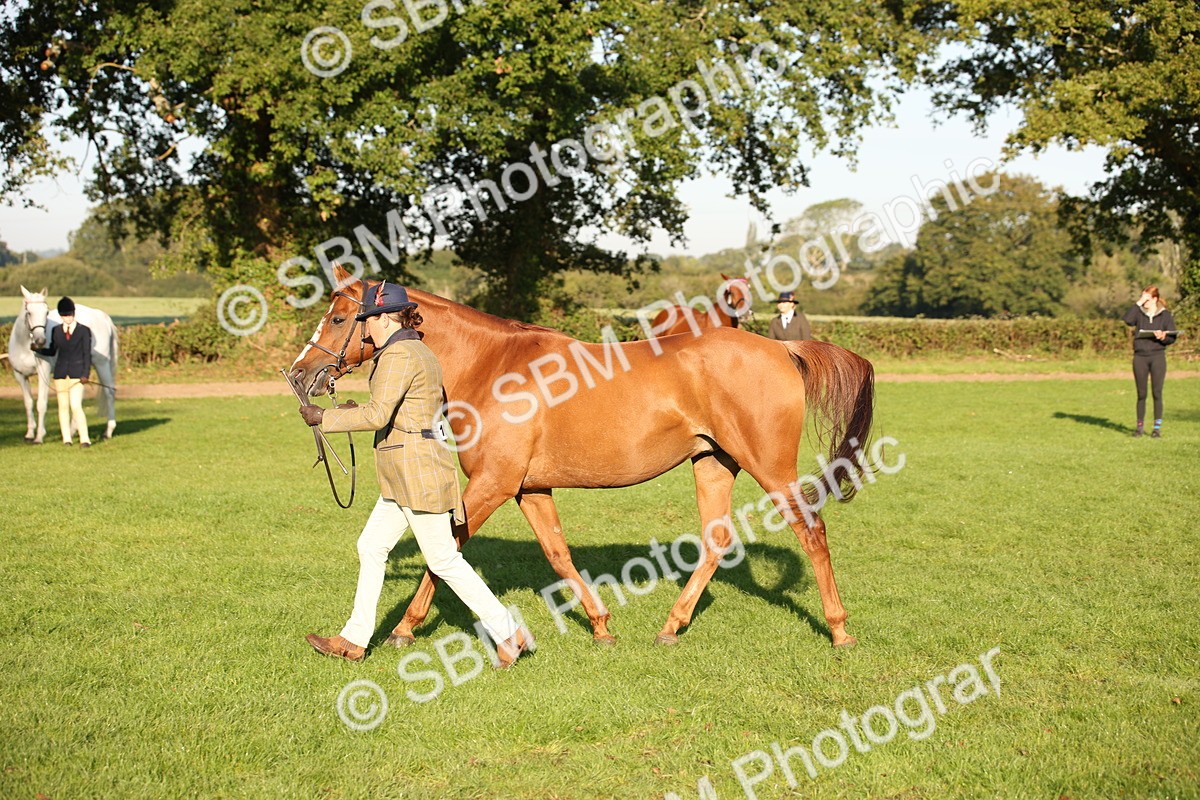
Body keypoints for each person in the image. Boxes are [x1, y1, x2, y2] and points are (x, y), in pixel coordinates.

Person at [298, 282, 528, 666]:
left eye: (368, 321)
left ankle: (509, 632)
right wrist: (356, 408)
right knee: (371, 546)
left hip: (415, 472)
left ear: (385, 319)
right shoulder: (414, 350)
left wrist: (325, 417)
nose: (366, 329)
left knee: (443, 561)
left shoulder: (399, 355)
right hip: (404, 473)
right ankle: (353, 640)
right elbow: (400, 410)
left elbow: (378, 415)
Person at [1121, 286, 1178, 438]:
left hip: (1157, 357)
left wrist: (1163, 337)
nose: (1143, 301)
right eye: (1142, 297)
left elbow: (1172, 337)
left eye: (1146, 298)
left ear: (1154, 299)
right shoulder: (1138, 314)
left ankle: (1156, 428)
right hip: (1140, 357)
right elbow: (1127, 320)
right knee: (1141, 393)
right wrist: (1138, 303)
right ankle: (1139, 428)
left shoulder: (1165, 315)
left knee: (1157, 393)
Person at [36, 297, 93, 447]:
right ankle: (66, 438)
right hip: (60, 373)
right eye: (64, 315)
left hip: (77, 374)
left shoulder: (84, 331)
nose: (67, 318)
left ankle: (84, 438)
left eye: (69, 315)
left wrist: (86, 374)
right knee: (62, 406)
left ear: (74, 314)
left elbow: (87, 354)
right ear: (61, 316)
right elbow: (53, 351)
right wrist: (38, 350)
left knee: (76, 405)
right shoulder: (56, 331)